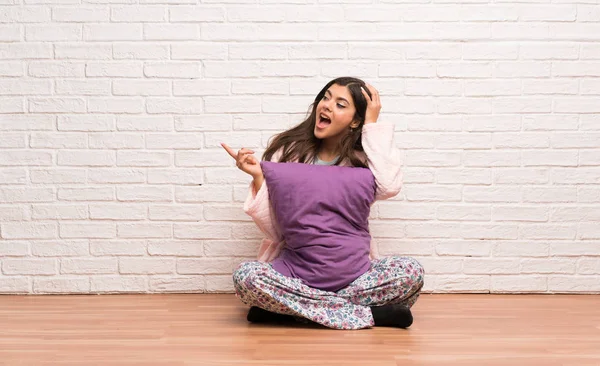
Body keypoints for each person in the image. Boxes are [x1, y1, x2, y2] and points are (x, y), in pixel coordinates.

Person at [221, 77, 424, 330]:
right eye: (326, 97)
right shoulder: (287, 154)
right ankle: (371, 315)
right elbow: (276, 229)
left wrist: (372, 125)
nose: (326, 106)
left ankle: (291, 311)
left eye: (340, 104)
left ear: (355, 121)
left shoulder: (365, 159)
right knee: (246, 276)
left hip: (355, 276)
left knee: (411, 271)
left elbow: (389, 186)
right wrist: (259, 177)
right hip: (296, 274)